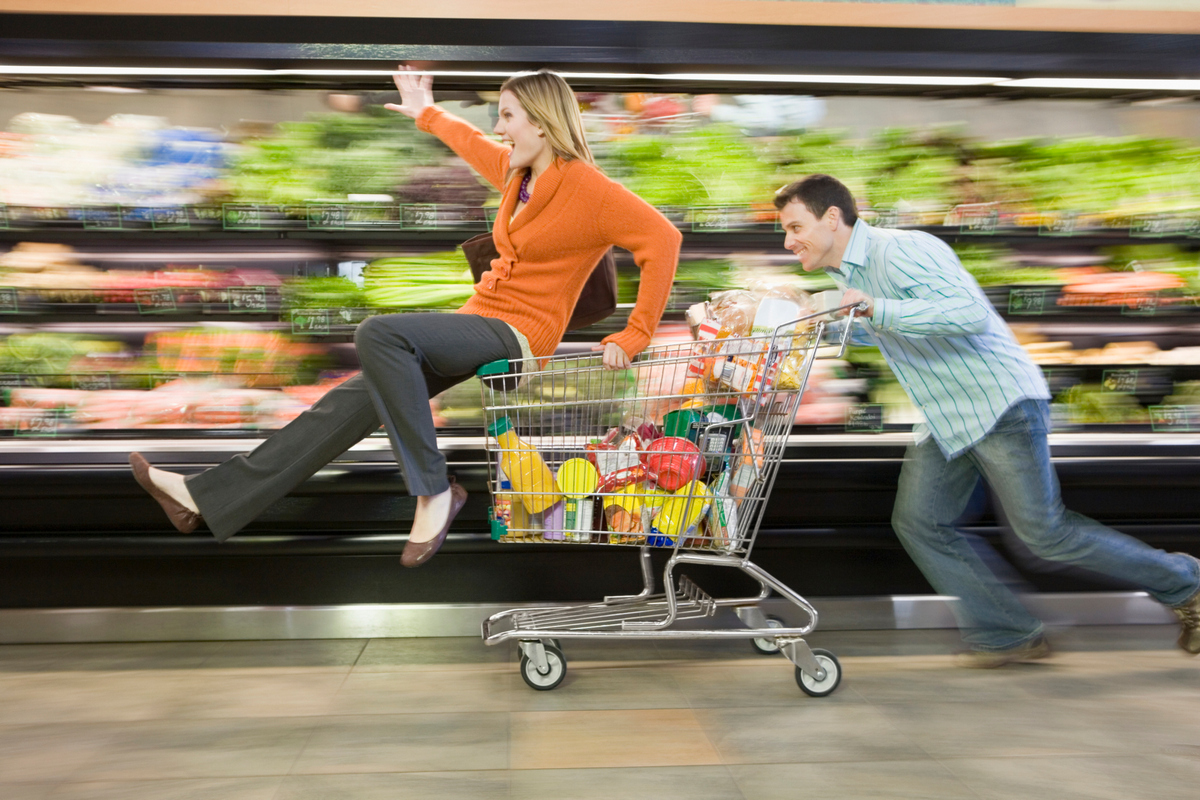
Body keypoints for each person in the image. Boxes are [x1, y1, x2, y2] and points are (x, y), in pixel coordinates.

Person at [130, 67, 681, 567]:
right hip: (482, 317)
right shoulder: (520, 177)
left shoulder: (587, 186)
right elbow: (473, 145)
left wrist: (636, 334)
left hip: (520, 334)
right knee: (347, 403)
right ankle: (205, 498)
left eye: (508, 115)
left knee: (381, 332)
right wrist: (426, 111)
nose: (499, 125)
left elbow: (663, 238)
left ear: (541, 123)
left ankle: (435, 489)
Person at [774, 173, 1200, 666]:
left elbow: (969, 313)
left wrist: (873, 306)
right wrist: (818, 325)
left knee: (1045, 535)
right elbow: (897, 330)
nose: (788, 241)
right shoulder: (848, 275)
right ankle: (1008, 633)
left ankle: (1186, 584)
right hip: (949, 417)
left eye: (794, 226)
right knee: (921, 522)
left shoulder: (902, 249)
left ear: (831, 218)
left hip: (998, 404)